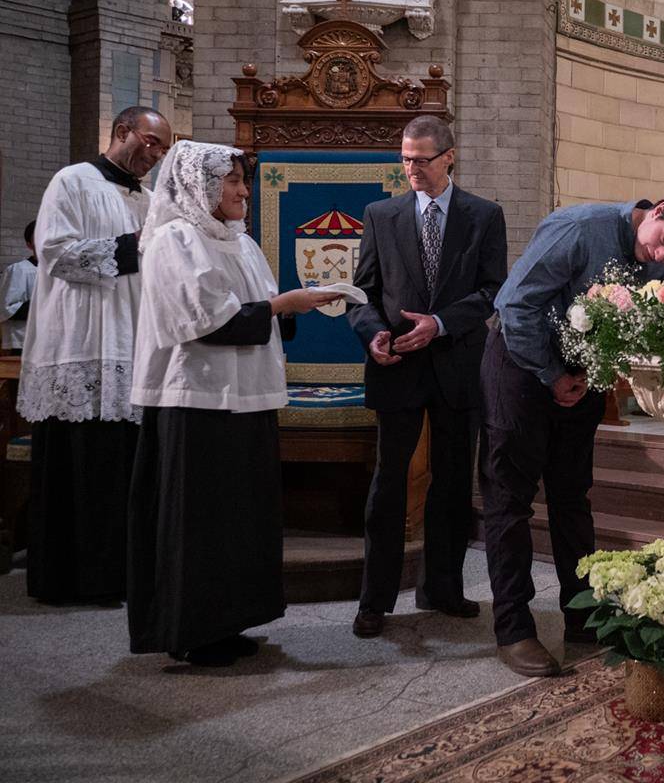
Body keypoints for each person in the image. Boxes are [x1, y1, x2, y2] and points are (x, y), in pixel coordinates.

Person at [483, 191, 664, 677]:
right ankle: (513, 629)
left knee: (573, 498)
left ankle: (583, 615)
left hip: (581, 377)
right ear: (657, 211)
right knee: (510, 501)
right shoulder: (579, 229)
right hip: (520, 367)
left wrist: (596, 372)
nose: (660, 258)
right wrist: (552, 374)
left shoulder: (657, 260)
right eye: (662, 242)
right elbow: (514, 305)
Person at [127, 141, 341, 667]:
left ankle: (229, 620)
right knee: (199, 522)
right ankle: (192, 629)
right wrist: (282, 304)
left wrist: (294, 306)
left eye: (245, 181)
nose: (245, 191)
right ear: (200, 185)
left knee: (239, 518)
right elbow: (205, 322)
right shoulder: (174, 240)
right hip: (195, 402)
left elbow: (259, 309)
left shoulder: (240, 241)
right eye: (233, 181)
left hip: (246, 398)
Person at [346, 116, 508, 638]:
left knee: (454, 483)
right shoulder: (381, 214)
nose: (411, 169)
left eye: (421, 159)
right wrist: (373, 333)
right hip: (396, 365)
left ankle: (442, 588)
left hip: (457, 366)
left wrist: (439, 323)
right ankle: (375, 600)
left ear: (449, 157)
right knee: (388, 484)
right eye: (405, 159)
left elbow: (493, 292)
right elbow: (363, 294)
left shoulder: (484, 216)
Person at [18, 106, 171, 604]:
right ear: (122, 132)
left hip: (131, 341)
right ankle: (70, 579)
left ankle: (119, 576)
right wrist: (135, 247)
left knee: (120, 466)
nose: (156, 154)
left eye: (164, 149)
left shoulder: (150, 200)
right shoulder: (73, 181)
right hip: (80, 341)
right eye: (151, 142)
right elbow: (55, 253)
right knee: (81, 464)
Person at [0, 220, 38, 353]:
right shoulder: (18, 270)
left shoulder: (63, 272)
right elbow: (6, 309)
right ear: (29, 244)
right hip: (23, 342)